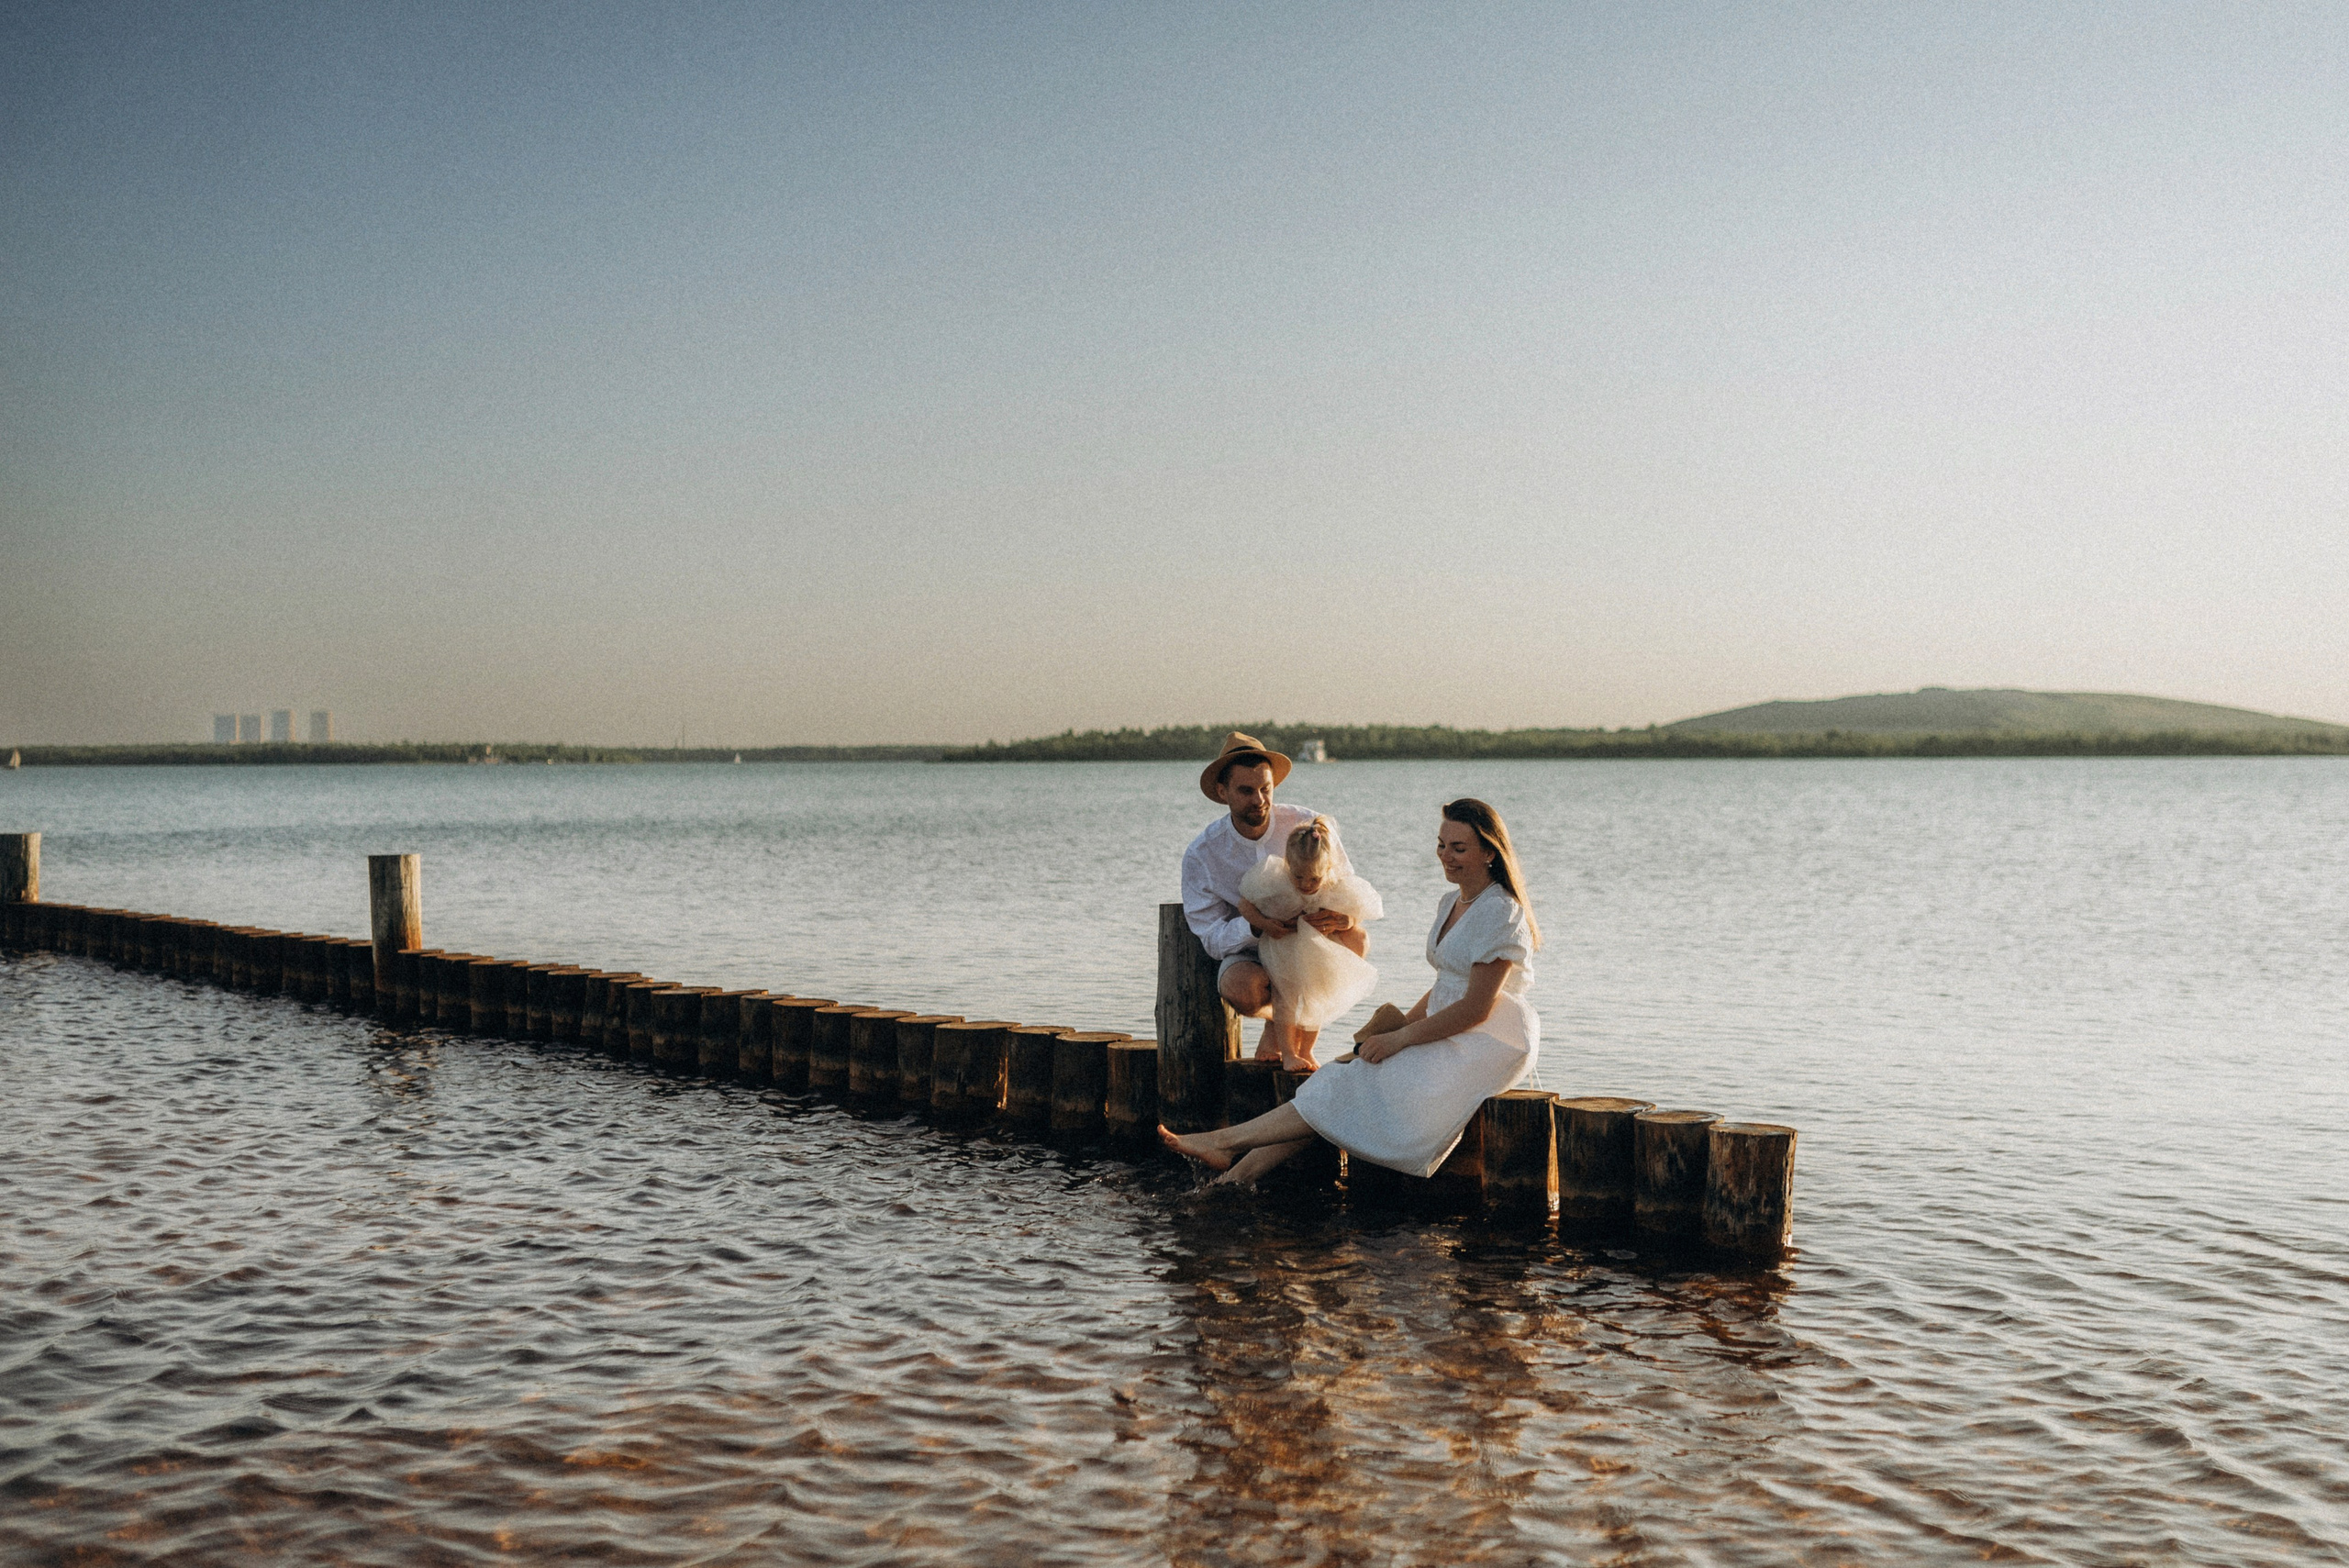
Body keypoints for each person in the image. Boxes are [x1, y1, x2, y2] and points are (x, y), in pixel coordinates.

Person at [1162, 796, 1542, 1186]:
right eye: (1442, 844)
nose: (1445, 856)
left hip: (1489, 1040)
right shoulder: (1452, 902)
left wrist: (1400, 1039)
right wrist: (1395, 1028)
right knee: (1339, 1080)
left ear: (1490, 853)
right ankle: (1232, 1179)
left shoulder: (1501, 911)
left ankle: (1224, 1143)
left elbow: (1476, 1008)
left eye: (1459, 848)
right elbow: (1446, 986)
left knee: (1349, 1087)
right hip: (1448, 1027)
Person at [1180, 732, 1367, 1072]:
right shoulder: (1202, 854)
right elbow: (1211, 937)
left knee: (1358, 939)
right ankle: (1278, 1023)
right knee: (1241, 988)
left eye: (1265, 789)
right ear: (1222, 792)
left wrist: (1344, 918)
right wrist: (1258, 926)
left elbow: (1345, 886)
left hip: (1307, 943)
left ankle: (1293, 1038)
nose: (1259, 800)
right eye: (1246, 791)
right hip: (1251, 952)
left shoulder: (1307, 825)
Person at [1237, 815, 1384, 1030]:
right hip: (1284, 950)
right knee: (1286, 999)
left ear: (1327, 869)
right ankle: (1284, 1045)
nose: (1306, 884)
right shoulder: (1277, 880)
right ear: (1288, 864)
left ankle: (1305, 1046)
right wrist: (1264, 923)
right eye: (1298, 877)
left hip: (1316, 952)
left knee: (1316, 1001)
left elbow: (1360, 908)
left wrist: (1349, 920)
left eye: (1314, 879)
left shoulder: (1333, 885)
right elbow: (1244, 905)